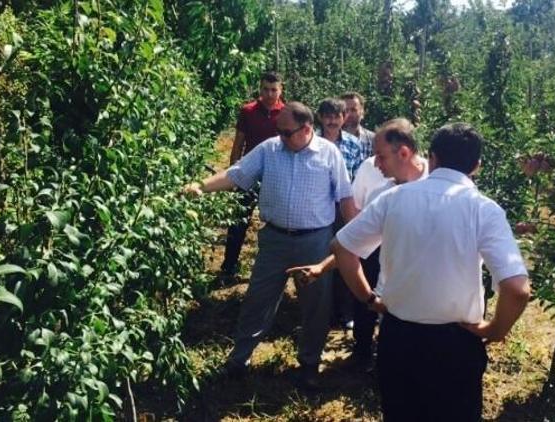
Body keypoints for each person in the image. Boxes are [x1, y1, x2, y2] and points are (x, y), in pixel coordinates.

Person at [331, 123, 531, 421]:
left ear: (432, 158)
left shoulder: (393, 199)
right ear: (476, 166)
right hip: (456, 344)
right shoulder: (483, 210)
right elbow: (517, 289)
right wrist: (494, 330)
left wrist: (369, 299)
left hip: (398, 338)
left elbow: (343, 248)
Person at [181, 102, 358, 389]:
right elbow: (236, 175)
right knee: (258, 299)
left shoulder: (329, 154)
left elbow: (345, 198)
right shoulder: (270, 149)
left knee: (316, 305)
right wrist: (201, 186)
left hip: (315, 241)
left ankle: (310, 364)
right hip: (274, 239)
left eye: (287, 133)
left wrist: (357, 238)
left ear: (307, 129)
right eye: (279, 131)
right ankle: (239, 359)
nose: (281, 138)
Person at [287, 118, 428, 369]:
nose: (375, 163)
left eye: (381, 156)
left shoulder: (443, 189)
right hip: (395, 299)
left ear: (404, 153)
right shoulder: (384, 196)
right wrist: (322, 267)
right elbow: (352, 244)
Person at [220, 71, 285, 281]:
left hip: (274, 176)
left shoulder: (285, 114)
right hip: (249, 173)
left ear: (280, 90)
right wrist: (234, 174)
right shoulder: (248, 111)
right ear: (260, 89)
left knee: (278, 224)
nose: (269, 94)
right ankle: (229, 267)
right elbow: (238, 143)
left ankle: (278, 271)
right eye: (265, 89)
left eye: (273, 90)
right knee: (238, 221)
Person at [316, 98, 369, 329]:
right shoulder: (311, 142)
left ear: (343, 118)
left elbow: (357, 179)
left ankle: (345, 310)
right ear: (320, 117)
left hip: (344, 207)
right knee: (320, 256)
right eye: (327, 116)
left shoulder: (353, 144)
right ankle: (322, 310)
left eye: (336, 116)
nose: (332, 121)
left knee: (344, 257)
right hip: (317, 207)